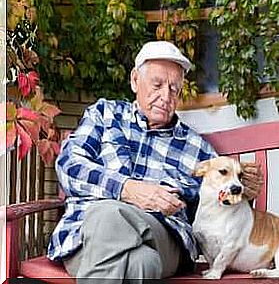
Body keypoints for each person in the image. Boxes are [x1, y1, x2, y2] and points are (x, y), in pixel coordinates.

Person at [47, 41, 263, 282]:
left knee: (108, 215)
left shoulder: (196, 147)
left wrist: (243, 193)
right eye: (157, 85)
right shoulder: (104, 115)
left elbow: (219, 209)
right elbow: (69, 165)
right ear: (134, 80)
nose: (165, 96)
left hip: (164, 237)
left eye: (174, 89)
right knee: (142, 262)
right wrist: (126, 189)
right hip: (85, 237)